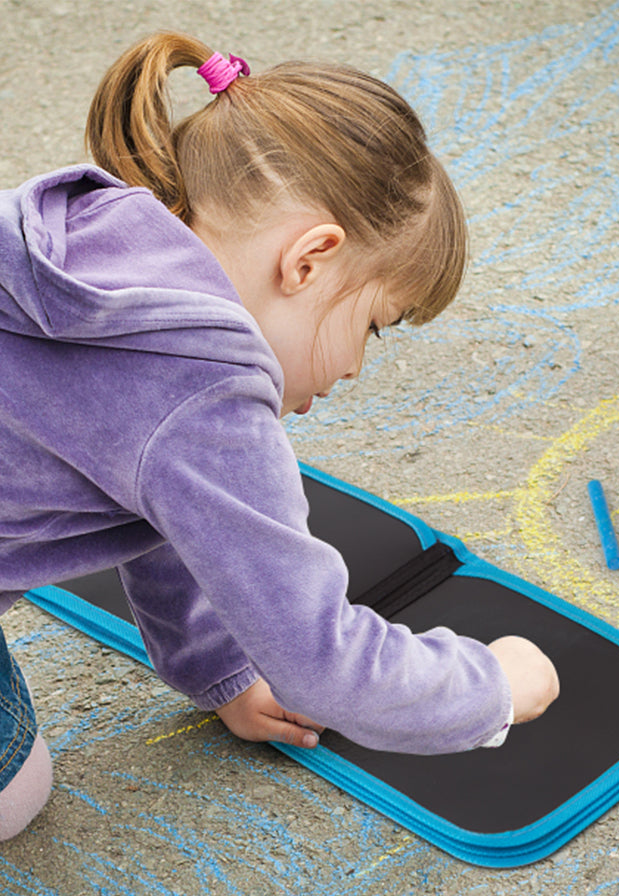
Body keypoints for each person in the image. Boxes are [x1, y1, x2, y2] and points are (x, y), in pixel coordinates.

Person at [0, 33, 559, 840]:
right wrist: (491, 687)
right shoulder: (206, 390)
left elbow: (160, 499)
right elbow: (323, 663)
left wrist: (219, 667)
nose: (358, 366)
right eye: (375, 325)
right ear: (309, 260)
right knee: (16, 796)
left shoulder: (101, 228)